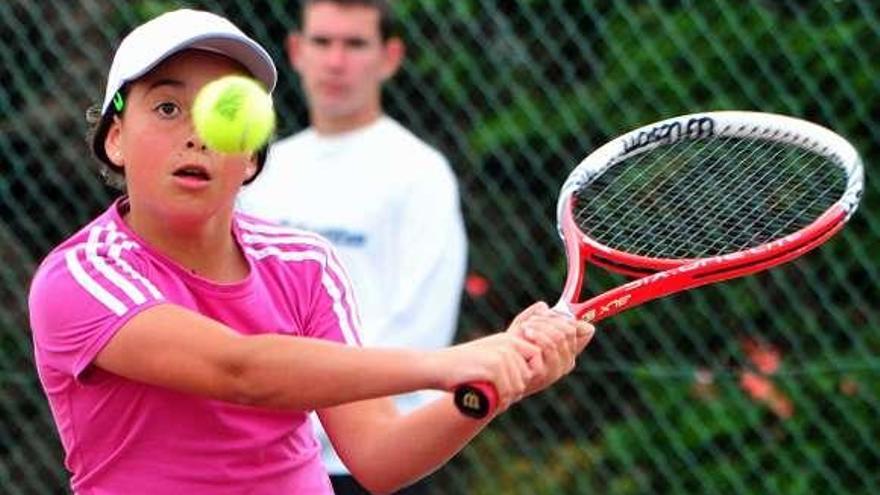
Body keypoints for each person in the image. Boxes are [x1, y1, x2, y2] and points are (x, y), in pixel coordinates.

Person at [27, 8, 594, 495]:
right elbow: (239, 369)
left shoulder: (305, 263)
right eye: (167, 108)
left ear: (249, 156)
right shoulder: (83, 276)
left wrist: (489, 389)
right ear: (115, 137)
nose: (196, 133)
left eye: (225, 113)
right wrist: (448, 364)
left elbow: (377, 457)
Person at [235, 1, 466, 492]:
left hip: (374, 461)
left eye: (355, 44)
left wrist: (316, 411)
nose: (336, 61)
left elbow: (421, 330)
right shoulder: (257, 173)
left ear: (390, 57)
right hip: (265, 460)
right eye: (322, 42)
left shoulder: (419, 174)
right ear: (296, 51)